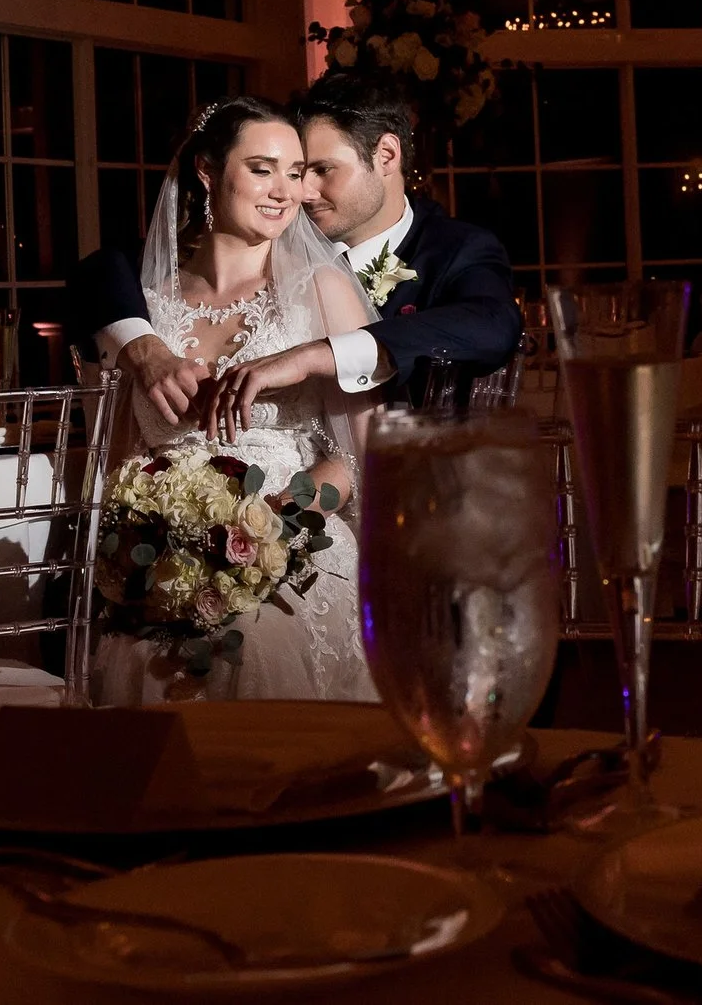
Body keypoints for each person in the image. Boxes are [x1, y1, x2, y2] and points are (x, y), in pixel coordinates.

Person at [86, 95, 380, 704]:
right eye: (262, 168)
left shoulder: (321, 291)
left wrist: (275, 525)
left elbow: (359, 458)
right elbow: (116, 460)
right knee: (138, 653)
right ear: (208, 171)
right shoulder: (146, 310)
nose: (285, 190)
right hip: (165, 560)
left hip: (294, 549)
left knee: (255, 646)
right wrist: (144, 548)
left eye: (295, 173)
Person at [66, 71, 523, 430]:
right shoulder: (272, 239)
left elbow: (494, 325)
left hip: (422, 492)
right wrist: (144, 347)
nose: (301, 193)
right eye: (292, 171)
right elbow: (102, 271)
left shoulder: (456, 249)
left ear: (386, 156)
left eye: (320, 169)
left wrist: (311, 356)